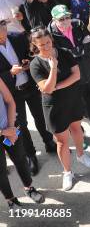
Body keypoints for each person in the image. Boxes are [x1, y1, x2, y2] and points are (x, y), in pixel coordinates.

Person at [29, 28, 90, 191]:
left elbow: (77, 75)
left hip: (73, 100)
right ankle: (67, 172)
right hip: (54, 107)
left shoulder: (64, 52)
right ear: (35, 45)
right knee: (62, 141)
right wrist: (53, 68)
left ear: (51, 39)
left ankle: (81, 155)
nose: (46, 47)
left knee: (77, 129)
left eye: (48, 42)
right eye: (42, 45)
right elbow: (47, 88)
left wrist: (56, 86)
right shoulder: (35, 64)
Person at [0, 21, 56, 176]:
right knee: (22, 126)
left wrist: (28, 61)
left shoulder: (17, 37)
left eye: (2, 23)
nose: (2, 27)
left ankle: (49, 142)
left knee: (41, 116)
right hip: (12, 93)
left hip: (31, 86)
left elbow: (33, 54)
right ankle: (31, 155)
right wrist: (10, 73)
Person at [48, 5, 90, 134]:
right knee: (75, 104)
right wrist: (79, 50)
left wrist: (75, 51)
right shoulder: (49, 34)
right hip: (70, 74)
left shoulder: (78, 24)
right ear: (54, 19)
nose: (66, 21)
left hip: (88, 68)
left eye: (67, 17)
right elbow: (59, 54)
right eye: (61, 19)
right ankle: (79, 134)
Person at [0, 77, 45, 208]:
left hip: (11, 127)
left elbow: (10, 101)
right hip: (5, 132)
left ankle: (29, 188)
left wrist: (12, 128)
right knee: (1, 170)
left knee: (21, 158)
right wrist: (3, 132)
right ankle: (11, 199)